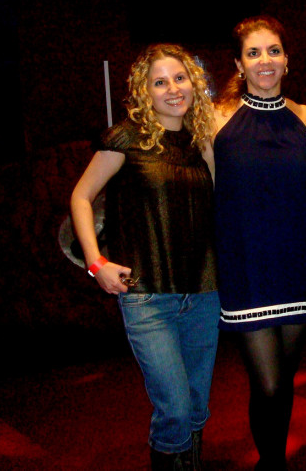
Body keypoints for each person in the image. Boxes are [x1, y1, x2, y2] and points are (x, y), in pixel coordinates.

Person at [70, 44, 220, 470]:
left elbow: (222, 203)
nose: (172, 88)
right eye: (159, 82)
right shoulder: (125, 138)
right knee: (175, 408)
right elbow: (81, 197)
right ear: (144, 91)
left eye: (180, 78)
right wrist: (95, 262)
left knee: (196, 407)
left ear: (193, 83)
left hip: (204, 292)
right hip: (148, 296)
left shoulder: (202, 141)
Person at [212, 15, 306, 471]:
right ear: (239, 64)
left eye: (273, 50)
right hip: (245, 267)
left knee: (285, 379)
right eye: (253, 53)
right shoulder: (216, 119)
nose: (265, 61)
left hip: (296, 262)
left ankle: (273, 460)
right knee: (269, 384)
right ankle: (271, 463)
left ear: (287, 59)